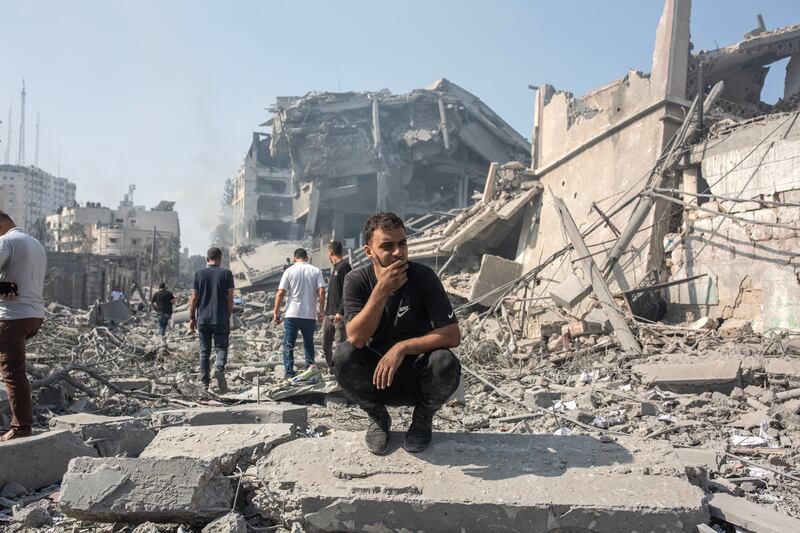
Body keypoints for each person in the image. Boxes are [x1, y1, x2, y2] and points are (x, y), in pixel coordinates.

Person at [333, 212, 461, 455]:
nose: (398, 252)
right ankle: (378, 418)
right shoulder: (356, 280)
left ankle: (423, 418)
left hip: (417, 377)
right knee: (343, 355)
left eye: (402, 243)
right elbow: (357, 337)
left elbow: (452, 335)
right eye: (388, 246)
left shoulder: (423, 277)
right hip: (377, 379)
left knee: (445, 361)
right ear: (369, 252)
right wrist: (381, 291)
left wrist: (401, 348)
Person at [0, 210, 47, 441]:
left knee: (13, 373)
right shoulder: (35, 243)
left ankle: (21, 428)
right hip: (34, 316)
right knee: (13, 370)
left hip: (11, 318)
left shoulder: (5, 241)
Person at [272, 248, 326, 379]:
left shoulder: (289, 271)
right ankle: (310, 367)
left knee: (289, 343)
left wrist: (276, 313)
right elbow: (322, 291)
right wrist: (321, 311)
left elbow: (280, 293)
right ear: (306, 257)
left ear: (294, 258)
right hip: (309, 314)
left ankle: (289, 372)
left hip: (292, 314)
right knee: (309, 342)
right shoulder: (315, 270)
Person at [189, 247, 234, 392]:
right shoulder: (226, 273)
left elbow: (194, 298)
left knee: (204, 351)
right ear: (220, 258)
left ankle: (205, 383)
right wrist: (227, 315)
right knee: (221, 347)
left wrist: (192, 317)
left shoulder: (199, 274)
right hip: (220, 317)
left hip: (203, 318)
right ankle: (219, 368)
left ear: (206, 259)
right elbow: (230, 299)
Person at [322, 240, 352, 369]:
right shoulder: (334, 268)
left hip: (339, 316)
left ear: (331, 252)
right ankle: (332, 369)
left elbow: (347, 291)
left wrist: (341, 311)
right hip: (329, 314)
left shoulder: (345, 266)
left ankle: (341, 373)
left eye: (327, 252)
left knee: (340, 347)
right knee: (325, 345)